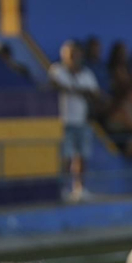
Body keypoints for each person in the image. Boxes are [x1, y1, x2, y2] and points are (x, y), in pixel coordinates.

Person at [50, 40, 99, 203]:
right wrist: (80, 91)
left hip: (81, 121)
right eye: (67, 53)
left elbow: (95, 94)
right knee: (65, 158)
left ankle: (80, 189)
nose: (71, 57)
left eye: (74, 53)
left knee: (81, 157)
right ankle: (62, 190)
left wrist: (72, 89)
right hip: (63, 122)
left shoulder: (87, 74)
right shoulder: (57, 71)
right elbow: (55, 86)